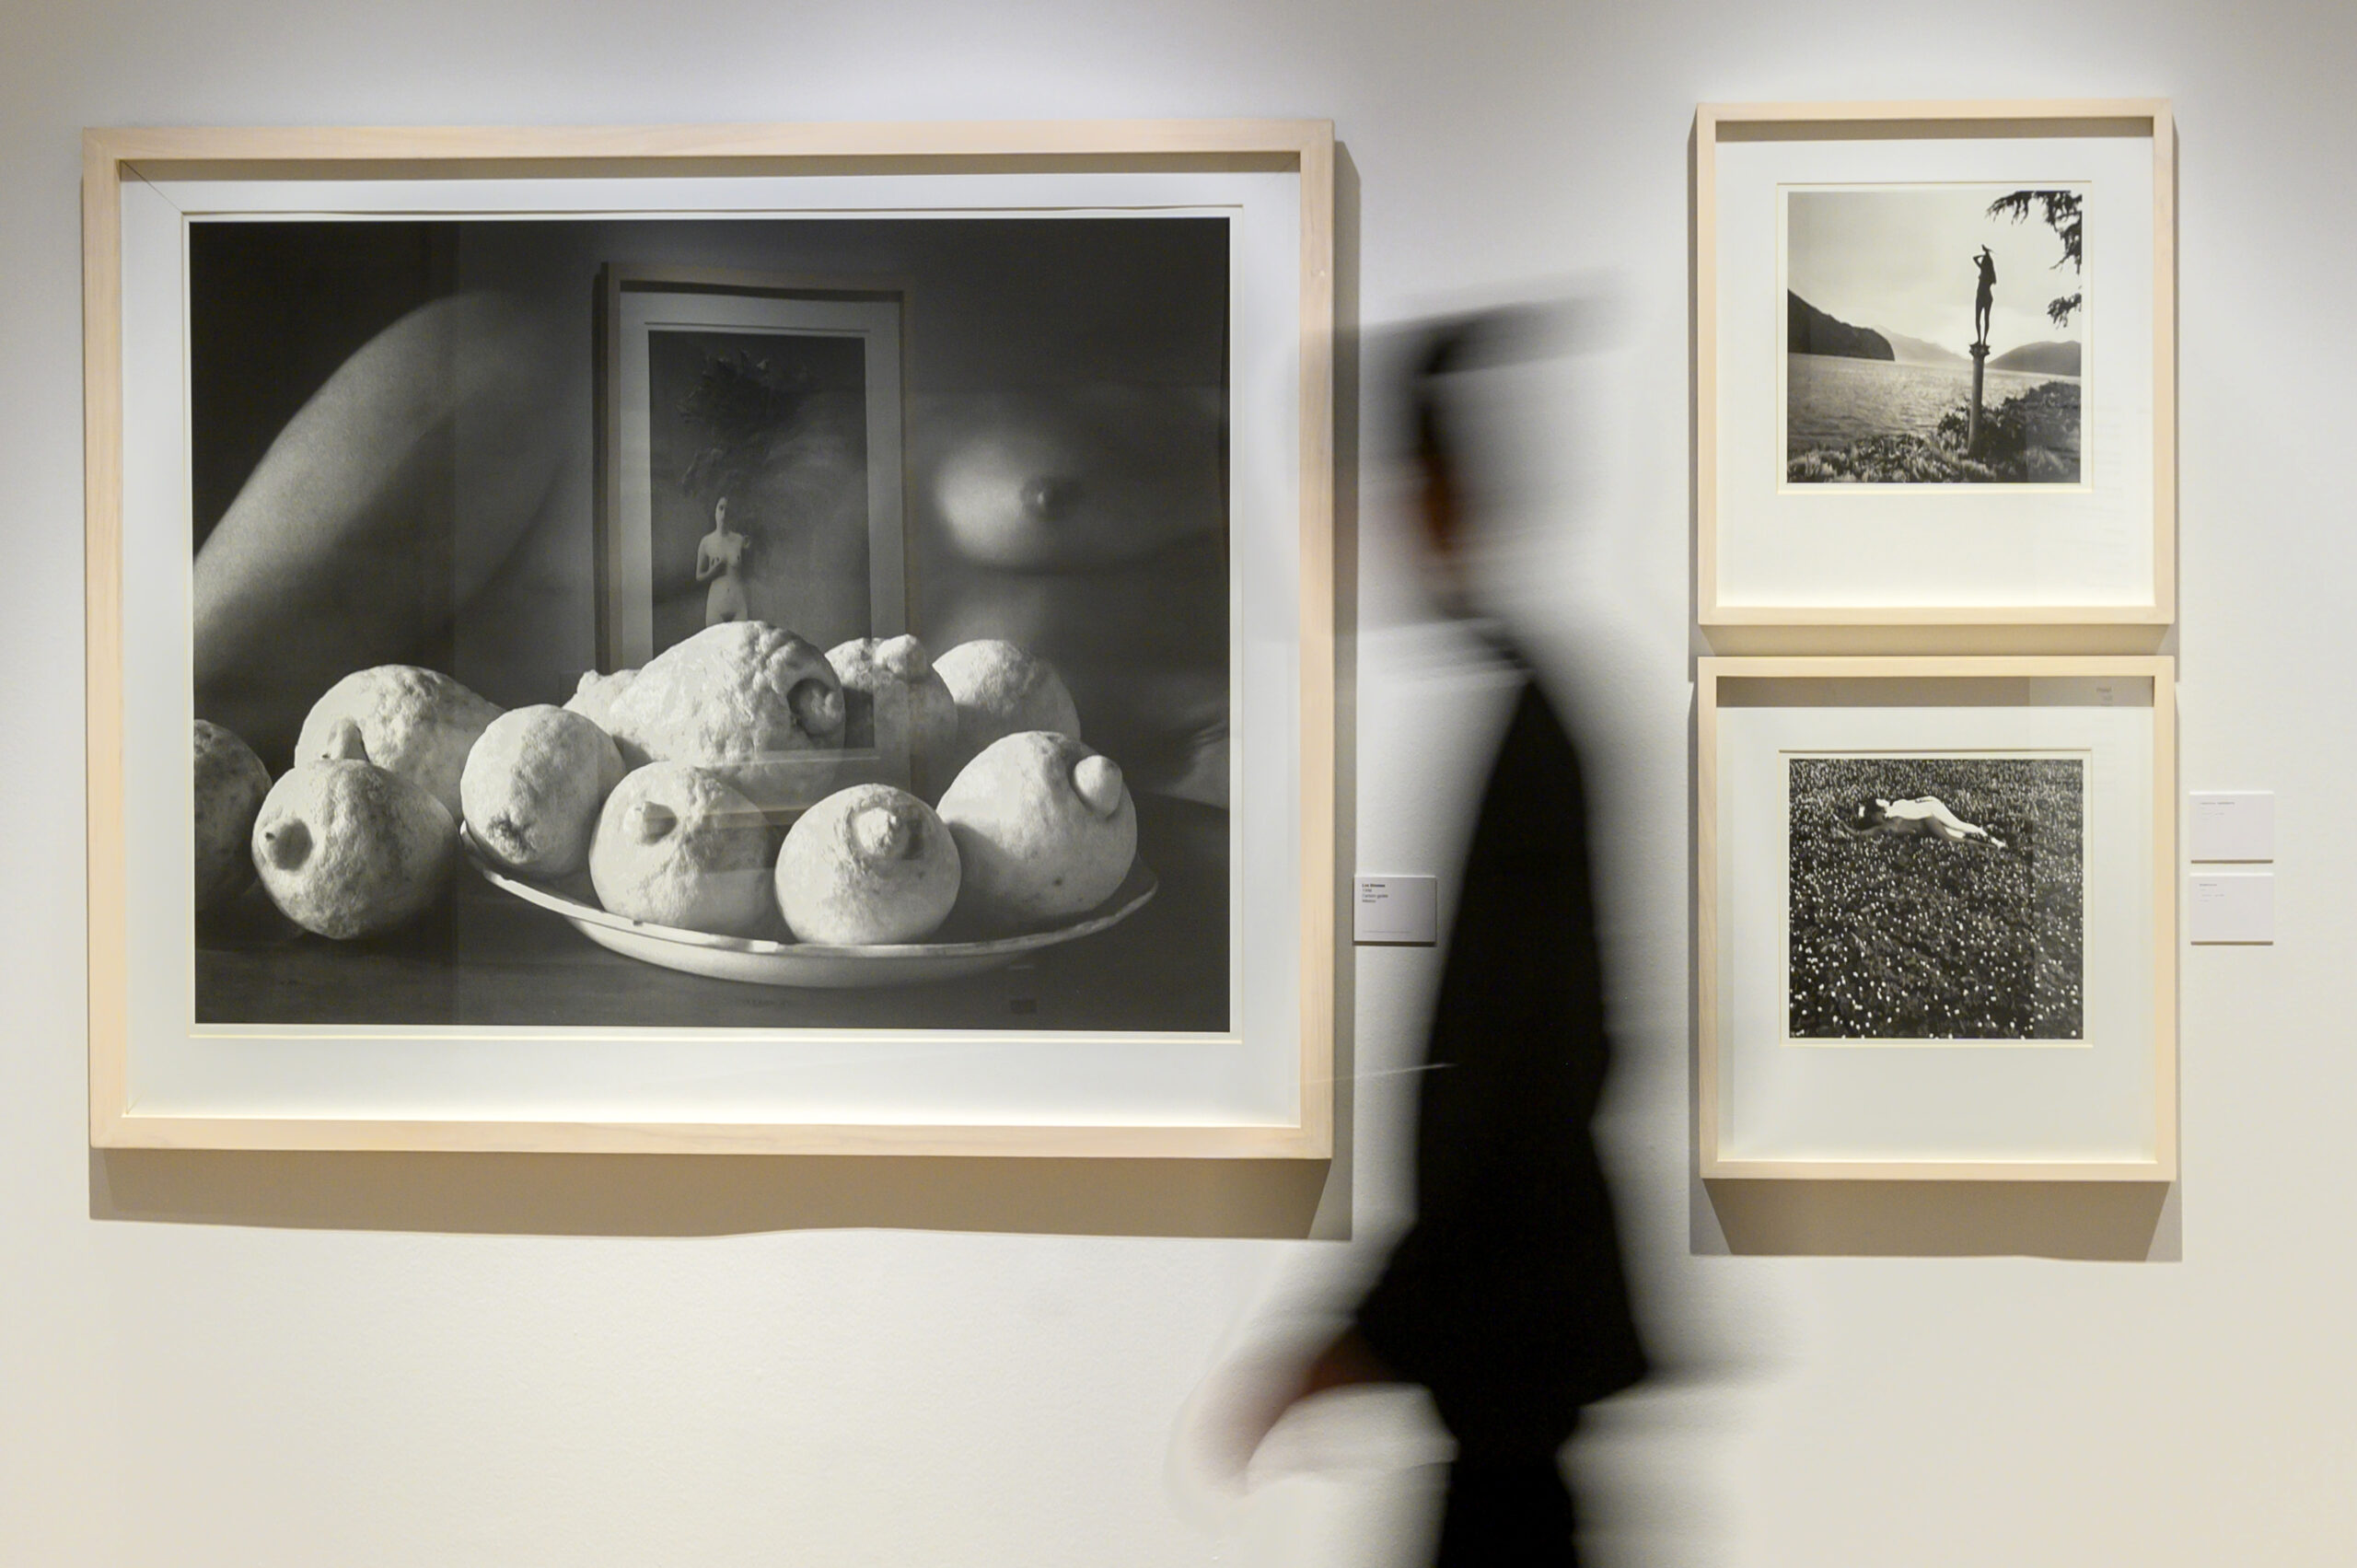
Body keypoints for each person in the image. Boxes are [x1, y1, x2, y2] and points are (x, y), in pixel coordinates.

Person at [1245, 314, 1647, 1566]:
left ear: (1445, 493)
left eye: (1395, 487)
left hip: (1515, 1358)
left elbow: (1526, 1079)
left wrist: (1360, 1329)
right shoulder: (1535, 718)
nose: (1377, 527)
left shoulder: (1537, 740)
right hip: (1512, 1359)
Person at [1848, 796, 2007, 849]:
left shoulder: (1892, 811)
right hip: (1930, 809)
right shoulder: (1892, 809)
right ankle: (1991, 837)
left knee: (1958, 827)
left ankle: (1992, 840)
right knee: (1957, 832)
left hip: (1931, 810)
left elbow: (1879, 810)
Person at [694, 494, 754, 627]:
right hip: (716, 605)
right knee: (715, 640)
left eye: (728, 510)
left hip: (738, 604)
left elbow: (748, 573)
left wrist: (749, 553)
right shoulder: (706, 542)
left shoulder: (740, 540)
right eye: (721, 508)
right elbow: (698, 576)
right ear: (715, 511)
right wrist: (712, 572)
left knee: (741, 640)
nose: (724, 514)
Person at [1972, 245, 1997, 348]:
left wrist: (1983, 255)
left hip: (1981, 295)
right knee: (1986, 318)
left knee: (1978, 318)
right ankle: (1984, 341)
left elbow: (1974, 258)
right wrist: (1987, 254)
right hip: (1988, 296)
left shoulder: (1983, 271)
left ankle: (1980, 340)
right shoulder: (1991, 275)